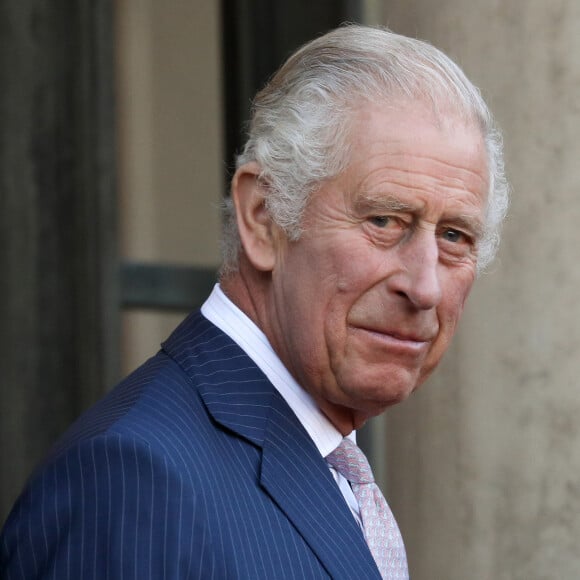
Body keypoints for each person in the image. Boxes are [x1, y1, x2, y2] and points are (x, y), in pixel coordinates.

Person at [0, 24, 508, 579]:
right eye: (385, 220)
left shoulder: (326, 461)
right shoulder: (134, 479)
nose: (426, 287)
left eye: (454, 236)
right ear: (263, 219)